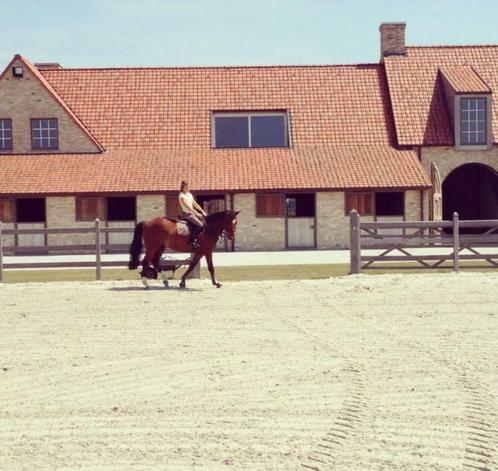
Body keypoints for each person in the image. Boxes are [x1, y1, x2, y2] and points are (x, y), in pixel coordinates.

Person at [178, 181, 207, 248]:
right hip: (187, 214)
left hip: (192, 213)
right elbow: (188, 206)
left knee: (204, 222)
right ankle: (191, 241)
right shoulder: (181, 195)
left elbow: (195, 204)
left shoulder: (189, 195)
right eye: (186, 187)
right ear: (182, 187)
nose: (187, 188)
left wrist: (202, 211)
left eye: (188, 187)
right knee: (200, 225)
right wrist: (196, 213)